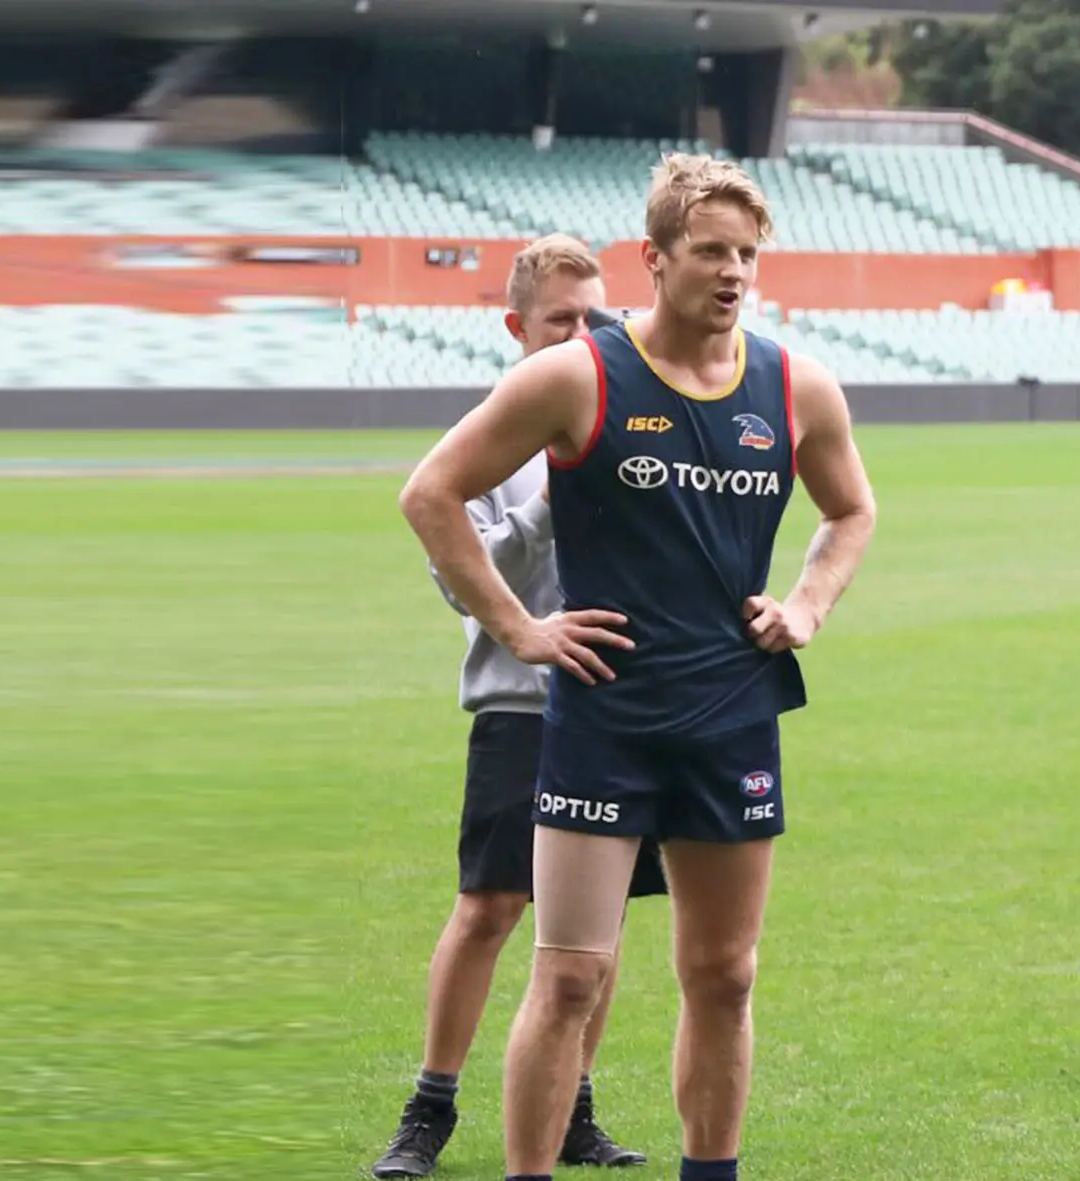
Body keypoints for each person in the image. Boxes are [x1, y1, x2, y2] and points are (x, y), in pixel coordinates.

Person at [395, 154, 876, 1181]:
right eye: (711, 251)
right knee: (568, 975)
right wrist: (521, 627)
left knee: (724, 975)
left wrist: (804, 604)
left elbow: (851, 510)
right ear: (653, 260)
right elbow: (430, 493)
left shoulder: (795, 384)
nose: (734, 270)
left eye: (747, 252)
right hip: (600, 720)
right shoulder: (576, 375)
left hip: (731, 713)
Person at [371, 234, 663, 1178]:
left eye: (596, 318)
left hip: (616, 707)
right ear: (517, 327)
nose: (583, 336)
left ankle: (575, 1107)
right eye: (561, 321)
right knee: (490, 907)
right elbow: (468, 581)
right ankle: (429, 1109)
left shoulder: (626, 427)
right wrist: (551, 501)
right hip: (519, 708)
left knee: (600, 924)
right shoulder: (494, 436)